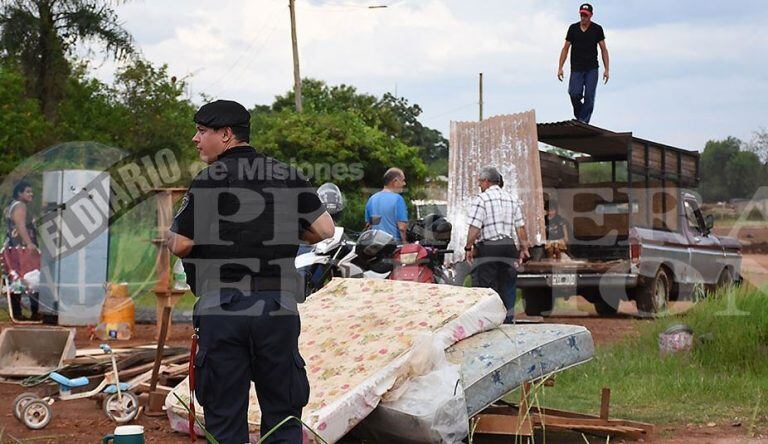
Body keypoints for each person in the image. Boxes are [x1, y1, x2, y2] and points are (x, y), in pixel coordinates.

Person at [166, 100, 335, 444]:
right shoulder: (286, 174)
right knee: (283, 416)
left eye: (202, 131)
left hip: (223, 309)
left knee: (225, 417)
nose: (196, 139)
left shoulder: (208, 180)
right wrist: (283, 229)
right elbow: (325, 229)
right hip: (276, 308)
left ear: (225, 135)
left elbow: (181, 244)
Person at [464, 167, 529, 323]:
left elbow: (475, 227)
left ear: (486, 181)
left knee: (487, 288)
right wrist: (524, 248)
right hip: (508, 247)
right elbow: (520, 227)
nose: (480, 185)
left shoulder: (481, 199)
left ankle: (490, 322)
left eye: (480, 182)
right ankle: (508, 321)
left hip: (489, 248)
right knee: (508, 285)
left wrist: (468, 247)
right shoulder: (512, 199)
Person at [557, 3, 610, 124]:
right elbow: (565, 48)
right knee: (574, 93)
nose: (583, 18)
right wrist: (560, 67)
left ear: (590, 16)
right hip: (576, 68)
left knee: (589, 96)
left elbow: (604, 49)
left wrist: (607, 69)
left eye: (585, 16)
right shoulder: (573, 28)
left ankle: (583, 121)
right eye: (581, 15)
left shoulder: (597, 29)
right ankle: (581, 115)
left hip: (592, 68)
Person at [4, 180, 40, 320]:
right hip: (21, 248)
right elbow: (20, 226)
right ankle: (35, 312)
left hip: (13, 248)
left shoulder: (12, 206)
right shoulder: (20, 206)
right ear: (19, 193)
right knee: (33, 278)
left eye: (31, 192)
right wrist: (29, 243)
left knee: (17, 280)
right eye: (27, 192)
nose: (31, 194)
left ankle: (18, 313)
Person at [364, 168, 408, 243]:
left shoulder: (372, 199)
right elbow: (402, 228)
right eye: (403, 180)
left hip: (375, 246)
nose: (404, 183)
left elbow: (369, 226)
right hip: (393, 245)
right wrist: (405, 243)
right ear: (395, 181)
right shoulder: (398, 199)